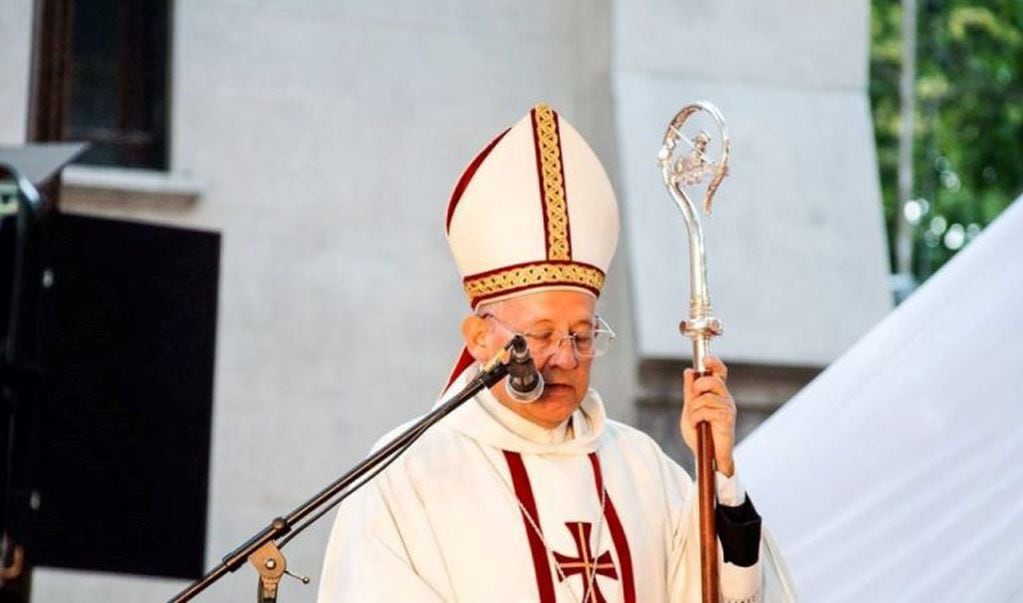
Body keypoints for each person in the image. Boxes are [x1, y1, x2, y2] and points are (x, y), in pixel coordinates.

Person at [318, 104, 792, 602]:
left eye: (582, 336)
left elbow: (731, 595)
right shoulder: (408, 475)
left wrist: (719, 474)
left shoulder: (641, 469)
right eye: (541, 336)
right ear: (480, 338)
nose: (565, 358)